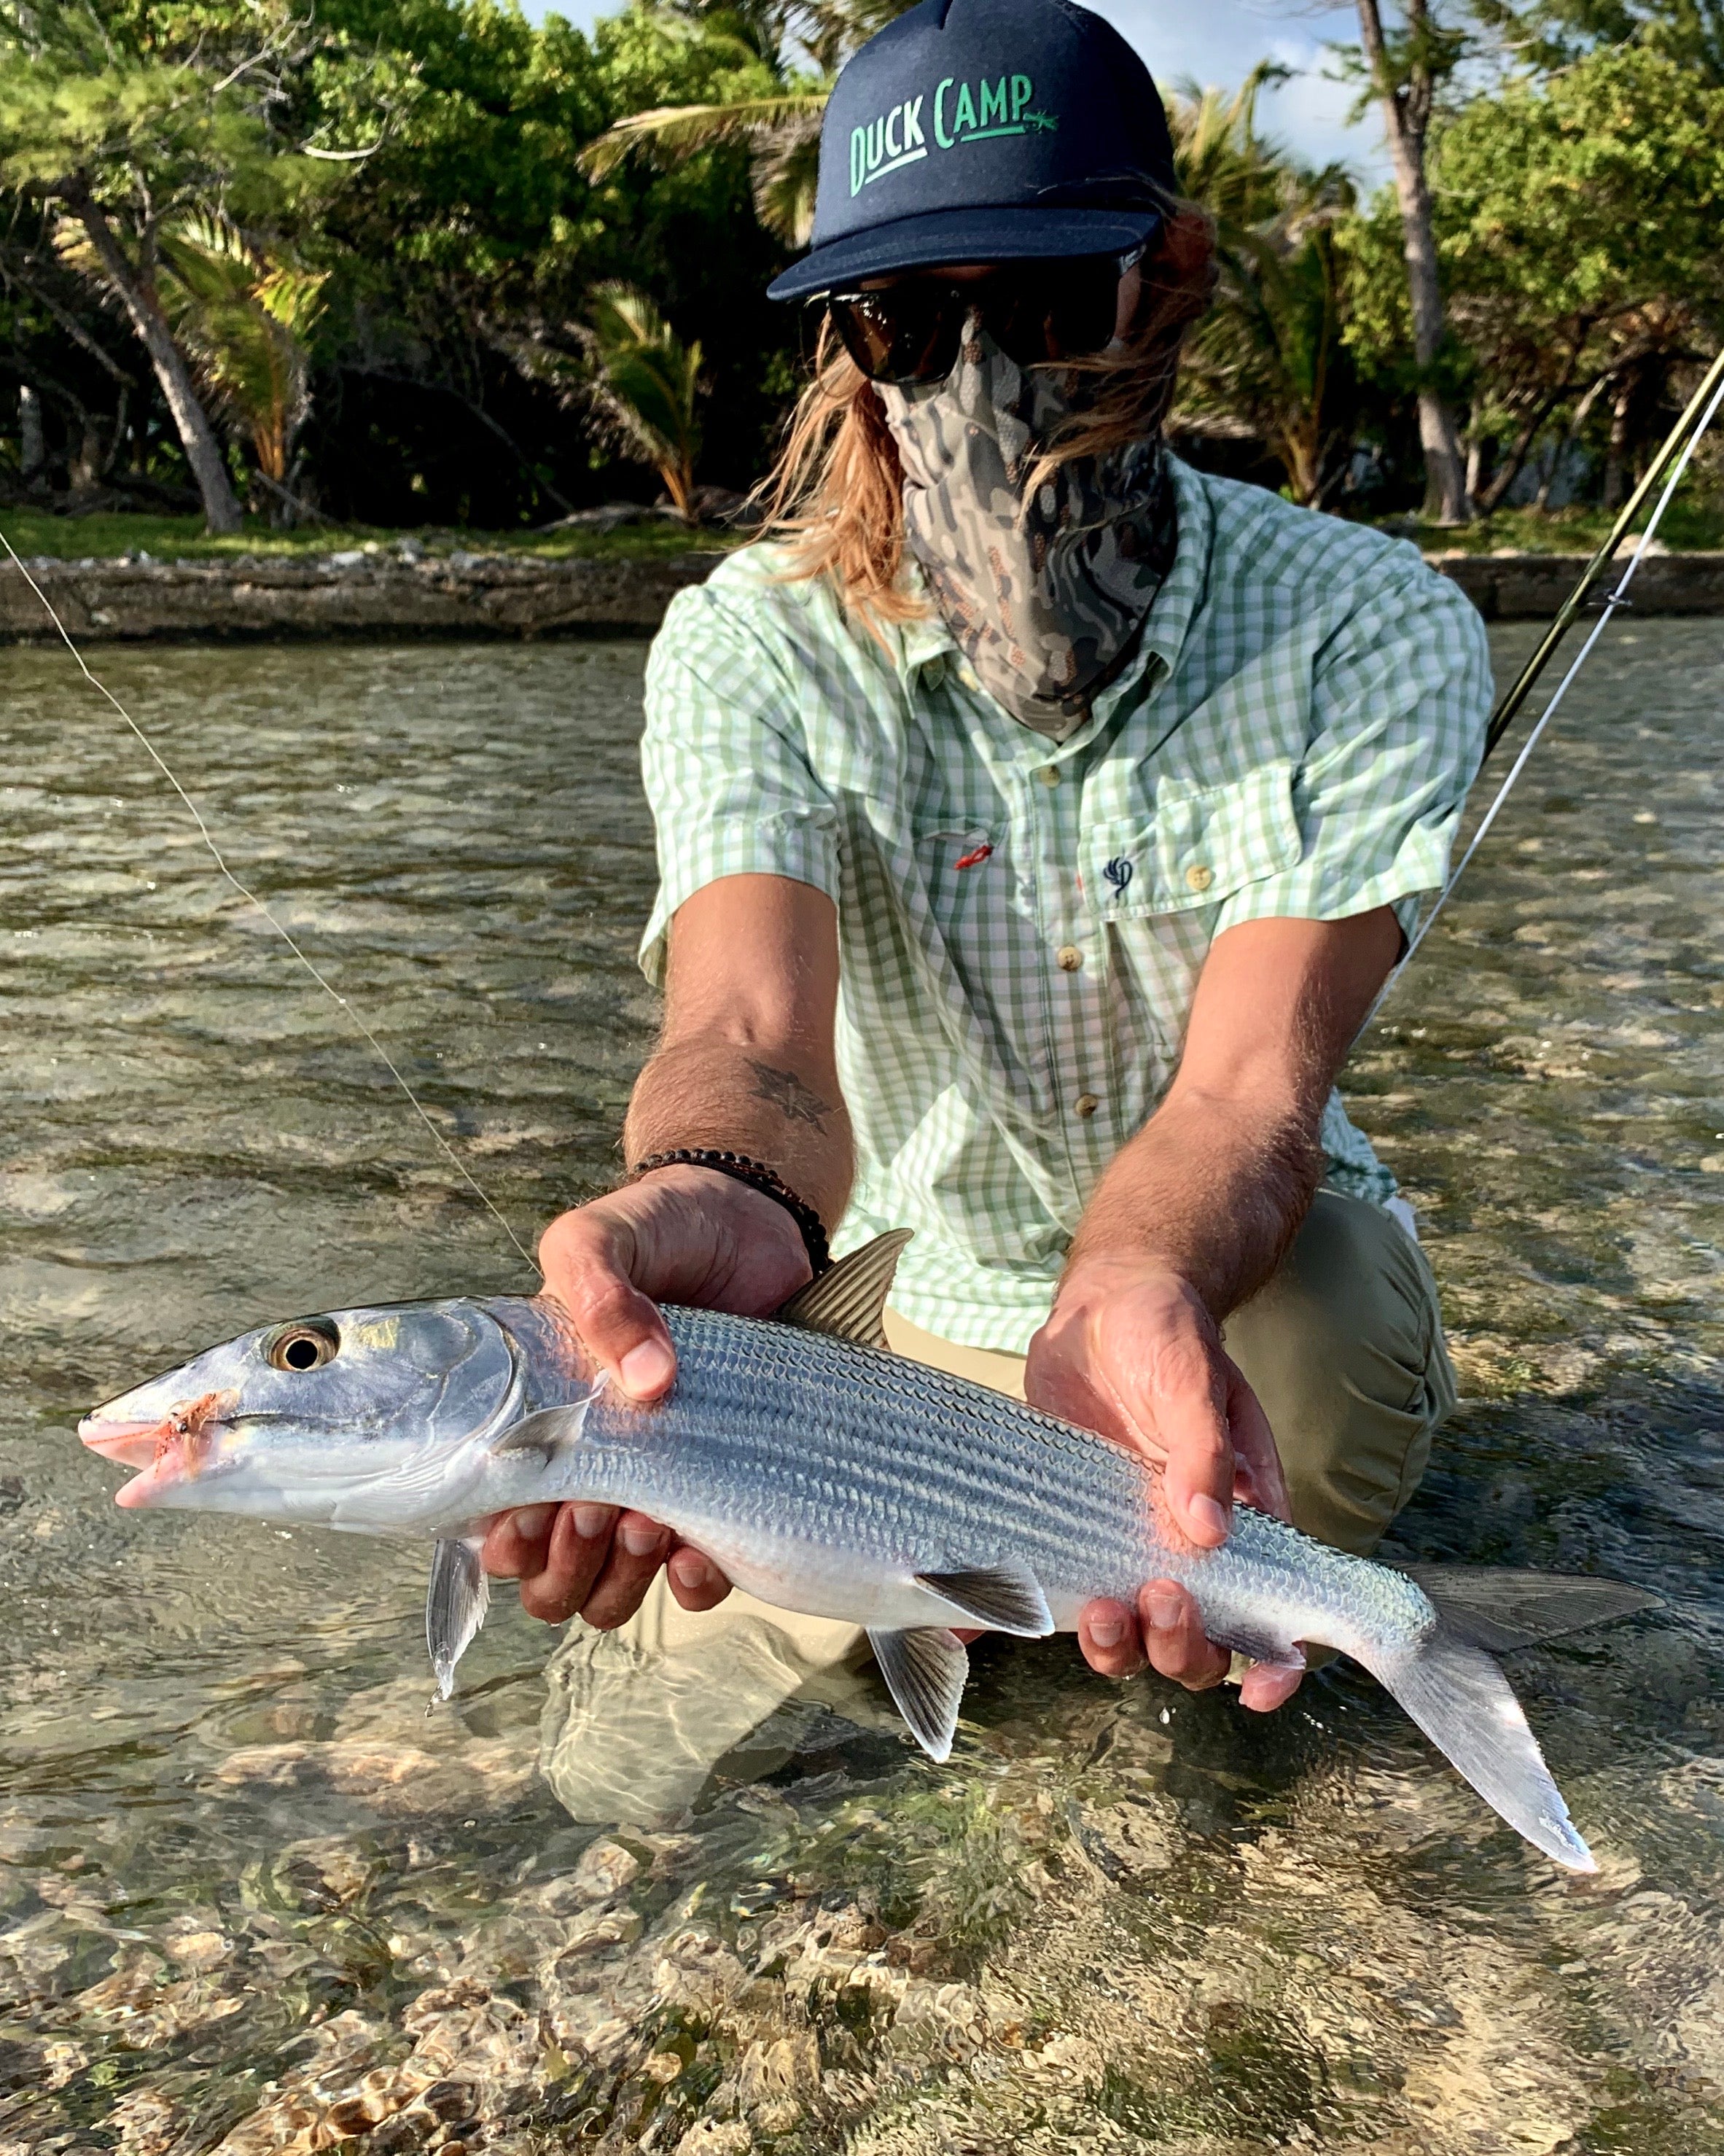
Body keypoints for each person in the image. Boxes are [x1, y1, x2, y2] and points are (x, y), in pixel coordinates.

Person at [485, 0, 1489, 1792]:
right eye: (902, 318)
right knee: (624, 1776)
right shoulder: (748, 643)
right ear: (844, 340)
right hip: (895, 1306)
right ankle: (993, 1609)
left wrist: (1132, 1281)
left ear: (1162, 282)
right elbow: (747, 1032)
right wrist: (704, 1191)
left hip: (1227, 1286)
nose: (971, 376)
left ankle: (1212, 1604)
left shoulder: (1371, 622)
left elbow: (1251, 1092)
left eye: (1033, 307)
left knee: (1317, 1346)